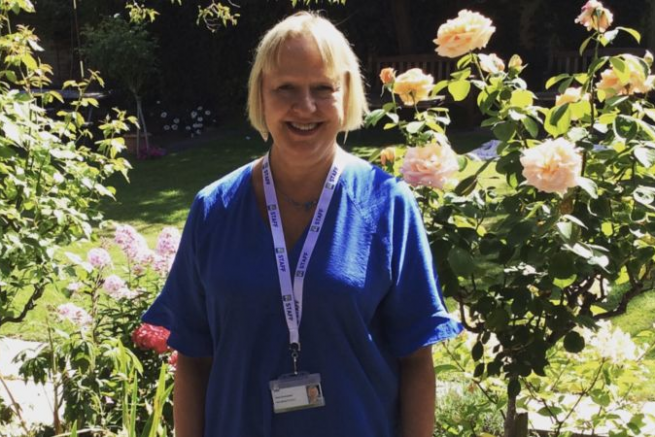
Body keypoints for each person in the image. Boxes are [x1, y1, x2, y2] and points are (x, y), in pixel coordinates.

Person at [142, 11, 462, 437]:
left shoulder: (386, 205)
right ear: (261, 95)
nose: (305, 106)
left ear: (346, 94)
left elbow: (417, 360)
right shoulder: (215, 209)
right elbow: (193, 358)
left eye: (323, 88)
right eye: (286, 88)